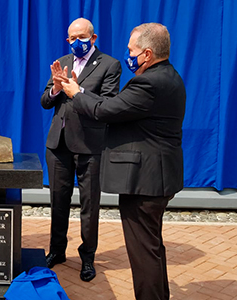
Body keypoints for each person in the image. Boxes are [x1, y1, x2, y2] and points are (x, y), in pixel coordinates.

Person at [60, 23, 186, 300]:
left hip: (145, 182)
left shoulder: (148, 83)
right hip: (159, 176)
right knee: (152, 246)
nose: (128, 54)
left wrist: (77, 93)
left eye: (132, 50)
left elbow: (106, 109)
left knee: (143, 254)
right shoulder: (170, 76)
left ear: (148, 54)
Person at [41, 18, 121, 282]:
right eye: (72, 38)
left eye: (82, 37)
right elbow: (44, 101)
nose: (77, 42)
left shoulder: (110, 65)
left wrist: (79, 90)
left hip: (89, 146)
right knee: (58, 202)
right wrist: (55, 88)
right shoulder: (61, 61)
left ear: (94, 37)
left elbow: (108, 104)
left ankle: (88, 258)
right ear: (67, 40)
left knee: (89, 206)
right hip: (58, 144)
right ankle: (57, 251)